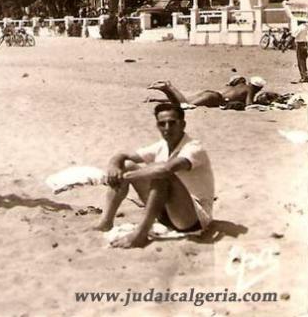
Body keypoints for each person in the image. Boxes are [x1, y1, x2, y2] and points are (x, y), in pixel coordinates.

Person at [93, 103, 215, 248]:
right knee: (126, 165)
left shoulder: (194, 148)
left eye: (172, 123)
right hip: (166, 212)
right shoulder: (162, 145)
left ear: (182, 124)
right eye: (162, 124)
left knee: (161, 174)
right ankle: (106, 222)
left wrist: (125, 177)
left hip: (194, 218)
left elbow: (167, 169)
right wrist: (114, 166)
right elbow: (123, 155)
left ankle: (140, 234)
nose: (167, 128)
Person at [148, 76, 265, 109]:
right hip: (214, 98)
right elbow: (249, 105)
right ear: (257, 87)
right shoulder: (250, 90)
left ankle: (158, 98)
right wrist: (262, 105)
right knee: (185, 105)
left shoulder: (240, 84)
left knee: (186, 99)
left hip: (211, 92)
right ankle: (169, 87)